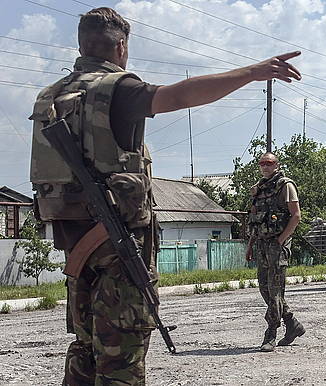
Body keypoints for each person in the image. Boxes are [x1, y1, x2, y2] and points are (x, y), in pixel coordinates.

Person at [28, 7, 302, 384]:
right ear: (121, 47)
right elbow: (181, 94)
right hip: (118, 247)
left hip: (73, 249)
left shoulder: (51, 97)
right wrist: (254, 72)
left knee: (84, 350)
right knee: (120, 356)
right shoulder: (117, 88)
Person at [245, 152, 304, 352]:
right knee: (265, 288)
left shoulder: (285, 186)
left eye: (269, 163)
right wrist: (250, 245)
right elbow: (255, 220)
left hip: (277, 245)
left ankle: (271, 333)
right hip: (261, 244)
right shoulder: (260, 188)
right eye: (262, 163)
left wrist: (281, 240)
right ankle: (292, 323)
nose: (265, 166)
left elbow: (296, 216)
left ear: (276, 165)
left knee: (276, 291)